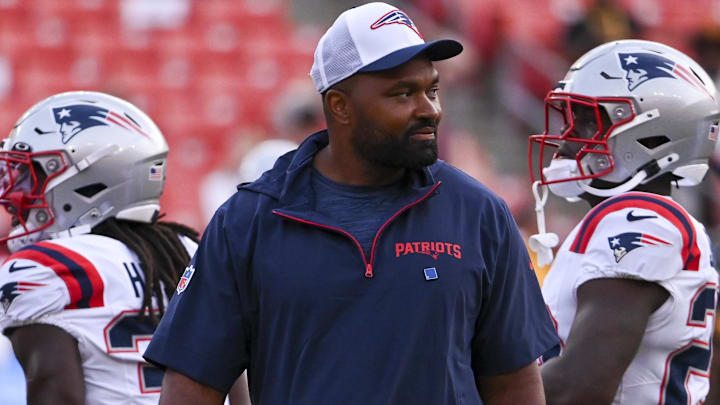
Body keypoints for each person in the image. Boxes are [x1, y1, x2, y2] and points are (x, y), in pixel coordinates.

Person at [145, 2, 559, 404]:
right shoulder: (248, 221)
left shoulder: (480, 213)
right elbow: (192, 386)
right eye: (403, 94)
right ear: (340, 105)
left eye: (432, 89)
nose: (429, 109)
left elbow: (514, 385)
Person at [527, 39, 720, 404]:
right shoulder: (626, 220)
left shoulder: (642, 222)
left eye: (586, 122)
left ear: (650, 135)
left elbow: (579, 387)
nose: (566, 141)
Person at [0, 91, 204, 404]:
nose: (15, 194)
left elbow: (56, 395)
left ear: (90, 180)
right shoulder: (188, 251)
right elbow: (239, 386)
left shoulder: (45, 268)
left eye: (32, 174)